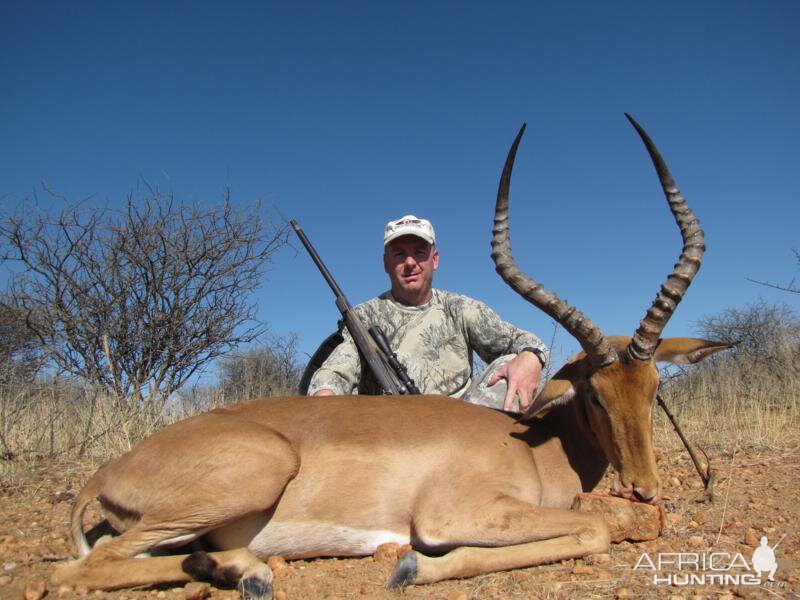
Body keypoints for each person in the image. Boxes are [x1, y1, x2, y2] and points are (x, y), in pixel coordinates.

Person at [307, 215, 549, 412]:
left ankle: (482, 465)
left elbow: (527, 342)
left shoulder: (460, 308)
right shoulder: (364, 317)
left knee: (512, 362)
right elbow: (337, 370)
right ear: (386, 263)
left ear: (435, 260)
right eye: (399, 254)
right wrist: (325, 392)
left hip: (462, 432)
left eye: (419, 252)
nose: (410, 262)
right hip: (388, 432)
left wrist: (531, 357)